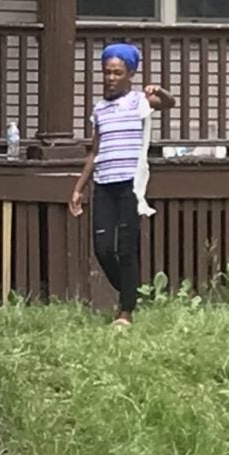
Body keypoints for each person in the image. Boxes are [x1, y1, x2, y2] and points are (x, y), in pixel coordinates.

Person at [67, 44, 175, 328]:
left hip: (129, 185)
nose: (111, 78)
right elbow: (94, 152)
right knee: (103, 249)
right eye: (107, 72)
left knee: (126, 249)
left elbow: (169, 103)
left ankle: (125, 311)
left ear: (130, 74)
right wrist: (79, 187)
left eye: (117, 73)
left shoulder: (139, 100)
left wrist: (159, 92)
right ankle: (131, 290)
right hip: (103, 183)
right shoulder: (100, 109)